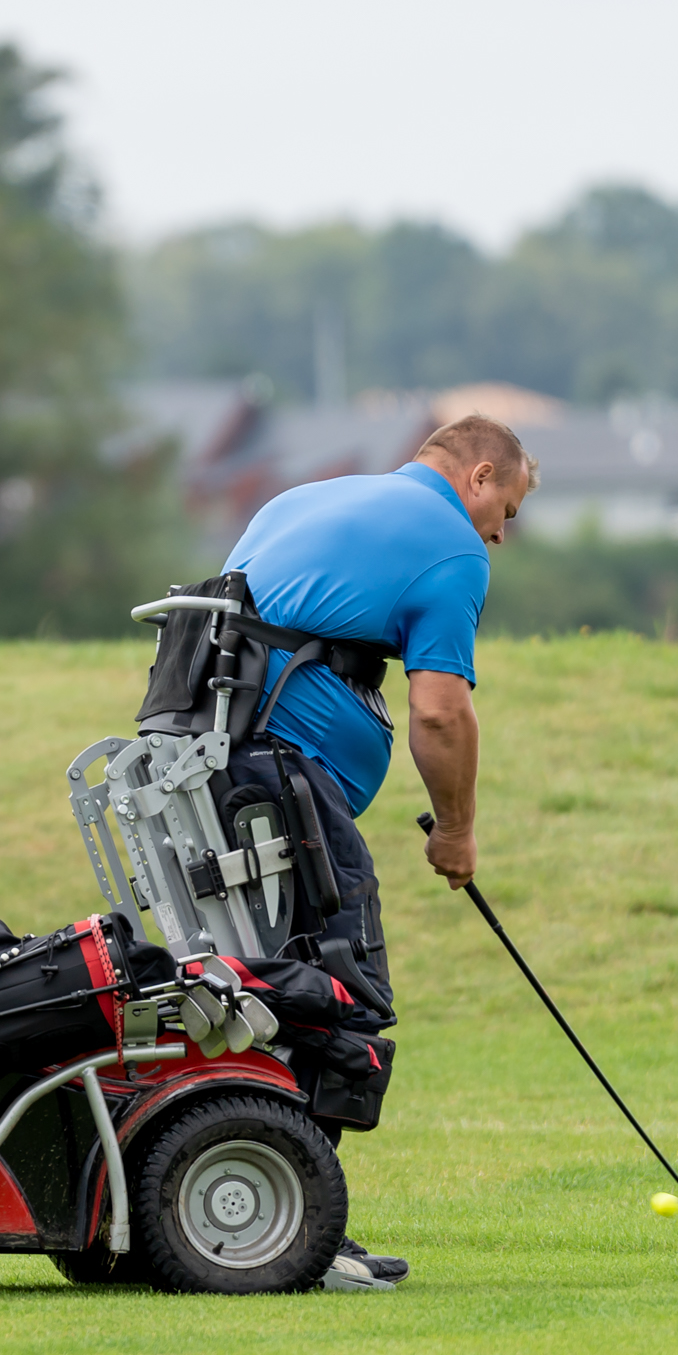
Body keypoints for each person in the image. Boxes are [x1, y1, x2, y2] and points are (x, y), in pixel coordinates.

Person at [220, 413, 534, 1288]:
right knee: (334, 992)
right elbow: (440, 709)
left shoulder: (308, 496)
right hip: (284, 781)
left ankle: (268, 1214)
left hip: (203, 768)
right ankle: (297, 1234)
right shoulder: (449, 545)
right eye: (503, 509)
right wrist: (460, 829)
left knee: (250, 990)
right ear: (477, 475)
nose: (500, 536)